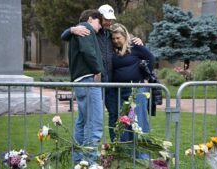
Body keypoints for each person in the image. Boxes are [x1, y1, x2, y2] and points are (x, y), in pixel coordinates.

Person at [61, 4, 143, 142]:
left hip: (109, 82)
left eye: (111, 19)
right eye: (106, 19)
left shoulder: (110, 34)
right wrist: (71, 29)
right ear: (98, 18)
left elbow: (124, 39)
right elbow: (65, 36)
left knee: (114, 115)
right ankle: (87, 152)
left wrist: (138, 40)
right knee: (90, 118)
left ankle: (115, 145)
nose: (109, 22)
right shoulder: (89, 31)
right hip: (95, 80)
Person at [66, 9, 103, 165]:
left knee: (82, 122)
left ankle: (79, 161)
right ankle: (90, 162)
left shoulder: (78, 30)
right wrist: (97, 69)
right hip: (87, 80)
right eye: (99, 22)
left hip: (80, 81)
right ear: (91, 19)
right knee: (94, 123)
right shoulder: (86, 28)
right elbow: (88, 51)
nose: (100, 27)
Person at [110, 23, 155, 143]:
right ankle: (127, 150)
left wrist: (146, 76)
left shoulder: (135, 46)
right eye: (113, 38)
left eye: (118, 38)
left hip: (137, 90)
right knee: (124, 120)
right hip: (121, 91)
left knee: (139, 119)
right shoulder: (112, 49)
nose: (115, 41)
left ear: (125, 36)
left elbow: (151, 58)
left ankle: (142, 152)